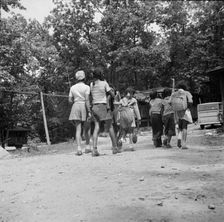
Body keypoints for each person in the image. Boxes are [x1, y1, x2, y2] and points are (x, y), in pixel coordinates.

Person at [90, 67, 119, 156]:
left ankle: (94, 149)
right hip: (103, 106)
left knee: (96, 127)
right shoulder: (104, 83)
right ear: (101, 75)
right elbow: (112, 95)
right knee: (110, 127)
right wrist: (115, 93)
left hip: (94, 106)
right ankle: (114, 147)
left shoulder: (92, 84)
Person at [68, 70, 91, 156]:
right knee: (87, 128)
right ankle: (87, 147)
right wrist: (89, 111)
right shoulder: (87, 87)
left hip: (75, 106)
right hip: (84, 106)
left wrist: (73, 101)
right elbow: (87, 99)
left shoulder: (72, 87)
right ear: (84, 77)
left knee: (78, 128)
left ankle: (79, 148)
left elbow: (70, 100)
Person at [170, 81, 193, 149]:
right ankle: (184, 144)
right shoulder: (187, 93)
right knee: (184, 127)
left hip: (177, 113)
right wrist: (187, 107)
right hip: (185, 112)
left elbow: (169, 102)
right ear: (184, 87)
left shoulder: (174, 94)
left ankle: (179, 139)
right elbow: (191, 101)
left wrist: (175, 108)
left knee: (179, 127)